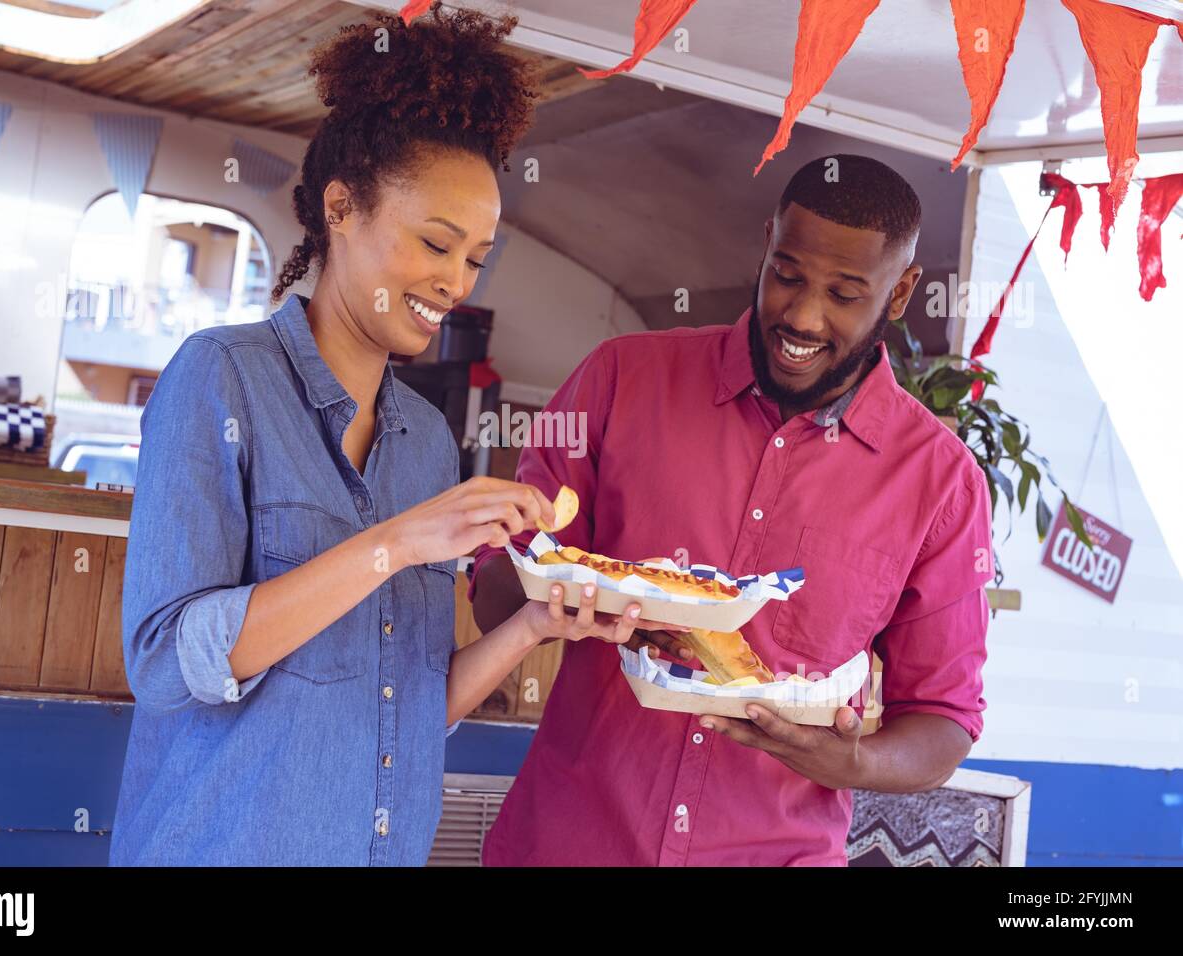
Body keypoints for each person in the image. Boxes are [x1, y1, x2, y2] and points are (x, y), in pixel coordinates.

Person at [108, 4, 666, 867]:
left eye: (475, 258)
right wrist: (395, 543)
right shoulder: (221, 378)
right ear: (340, 206)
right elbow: (168, 668)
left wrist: (532, 629)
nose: (453, 282)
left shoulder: (428, 446)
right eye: (435, 244)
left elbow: (413, 703)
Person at [469, 154, 995, 866]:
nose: (803, 316)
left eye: (845, 294)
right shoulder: (622, 377)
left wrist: (854, 765)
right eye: (787, 274)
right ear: (768, 240)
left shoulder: (941, 484)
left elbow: (945, 719)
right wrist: (557, 601)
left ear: (900, 294)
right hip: (569, 842)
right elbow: (499, 577)